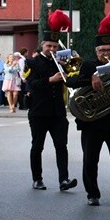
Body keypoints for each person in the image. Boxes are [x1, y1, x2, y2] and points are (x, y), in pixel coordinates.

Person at [66, 13, 110, 209]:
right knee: (90, 160)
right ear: (96, 50)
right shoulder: (88, 65)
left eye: (109, 49)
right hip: (92, 123)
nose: (105, 53)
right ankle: (92, 193)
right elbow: (70, 81)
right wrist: (90, 77)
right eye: (102, 50)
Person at [24, 11, 77, 192]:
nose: (52, 50)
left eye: (55, 46)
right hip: (39, 111)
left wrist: (69, 70)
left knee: (61, 146)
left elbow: (73, 79)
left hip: (57, 112)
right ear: (42, 45)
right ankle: (37, 179)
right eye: (49, 46)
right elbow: (30, 85)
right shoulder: (31, 63)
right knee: (37, 146)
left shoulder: (61, 63)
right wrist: (50, 80)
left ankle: (64, 179)